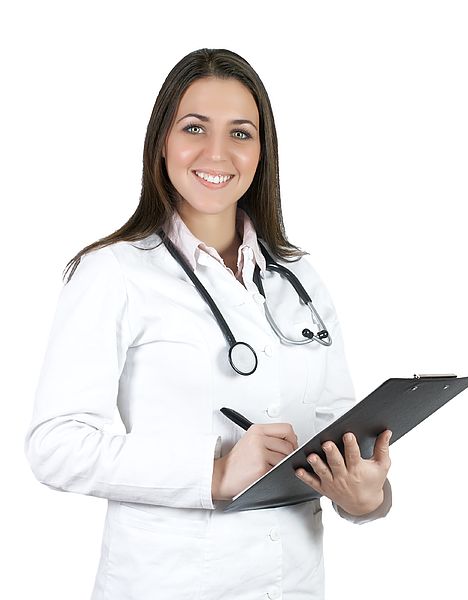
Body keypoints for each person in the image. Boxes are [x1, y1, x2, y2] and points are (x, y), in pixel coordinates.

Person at [23, 48, 393, 600]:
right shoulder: (114, 272)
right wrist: (211, 472)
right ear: (162, 142)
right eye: (194, 127)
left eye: (241, 133)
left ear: (262, 152)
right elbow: (55, 445)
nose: (217, 153)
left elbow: (340, 431)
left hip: (291, 583)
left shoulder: (299, 278)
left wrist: (367, 498)